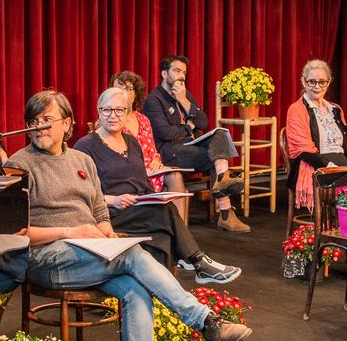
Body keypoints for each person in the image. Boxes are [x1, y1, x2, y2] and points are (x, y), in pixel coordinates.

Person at [0, 90, 252, 341]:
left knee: (135, 287)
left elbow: (99, 210)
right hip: (44, 259)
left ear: (67, 123)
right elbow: (16, 233)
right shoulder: (18, 165)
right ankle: (205, 322)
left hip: (90, 254)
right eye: (33, 121)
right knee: (131, 256)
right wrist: (70, 232)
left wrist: (106, 232)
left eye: (46, 120)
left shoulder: (81, 161)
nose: (38, 127)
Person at [72, 87, 241, 284]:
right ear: (98, 111)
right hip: (111, 214)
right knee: (164, 212)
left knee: (163, 230)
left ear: (128, 113)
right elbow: (80, 195)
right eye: (107, 110)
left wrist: (154, 197)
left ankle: (160, 289)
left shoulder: (132, 142)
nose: (113, 115)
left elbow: (142, 182)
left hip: (140, 209)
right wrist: (113, 200)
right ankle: (197, 262)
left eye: (119, 110)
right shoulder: (85, 146)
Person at [142, 55, 250, 233]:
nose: (181, 76)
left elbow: (203, 122)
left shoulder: (185, 94)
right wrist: (189, 127)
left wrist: (184, 101)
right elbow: (166, 133)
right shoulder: (154, 99)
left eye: (184, 72)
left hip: (191, 144)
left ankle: (222, 182)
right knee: (217, 158)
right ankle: (226, 214)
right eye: (177, 71)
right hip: (169, 151)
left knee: (220, 135)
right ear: (164, 73)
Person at [113, 69, 189, 222]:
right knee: (179, 186)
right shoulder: (112, 120)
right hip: (130, 173)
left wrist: (155, 160)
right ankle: (178, 231)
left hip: (151, 170)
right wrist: (142, 168)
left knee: (176, 176)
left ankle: (180, 231)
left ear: (135, 94)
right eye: (118, 89)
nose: (123, 94)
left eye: (128, 89)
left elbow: (152, 150)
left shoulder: (143, 119)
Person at [284, 59, 347, 212]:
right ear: (303, 82)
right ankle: (344, 223)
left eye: (322, 82)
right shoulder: (296, 109)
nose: (317, 86)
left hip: (342, 167)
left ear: (328, 83)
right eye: (312, 82)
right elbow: (304, 150)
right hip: (316, 168)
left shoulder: (335, 109)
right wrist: (331, 169)